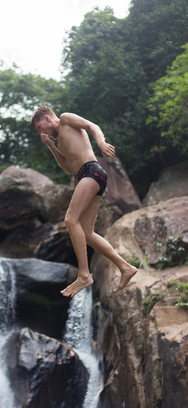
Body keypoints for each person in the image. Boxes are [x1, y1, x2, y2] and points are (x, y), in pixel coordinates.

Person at [31, 105, 137, 298]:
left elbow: (92, 125)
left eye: (40, 127)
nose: (42, 133)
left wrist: (102, 143)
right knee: (86, 232)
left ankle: (84, 274)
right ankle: (126, 267)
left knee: (71, 220)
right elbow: (69, 169)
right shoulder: (60, 141)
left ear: (47, 119)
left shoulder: (65, 119)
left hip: (92, 171)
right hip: (86, 175)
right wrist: (52, 147)